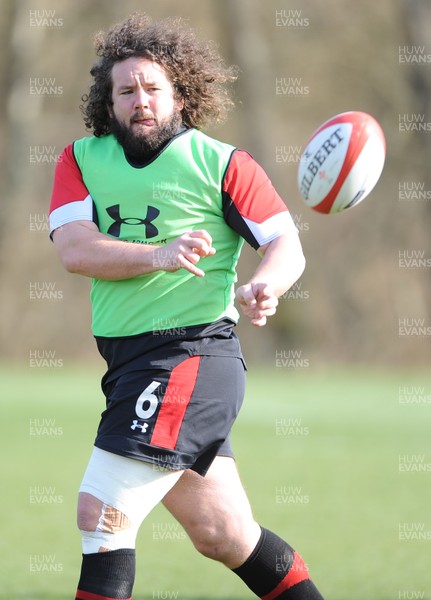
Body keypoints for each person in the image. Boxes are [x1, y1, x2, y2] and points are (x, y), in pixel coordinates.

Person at [49, 13, 324, 600]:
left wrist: (266, 284)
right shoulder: (80, 159)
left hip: (191, 358)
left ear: (180, 93)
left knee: (102, 511)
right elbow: (74, 250)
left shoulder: (222, 163)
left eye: (153, 88)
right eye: (126, 91)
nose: (140, 101)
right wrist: (161, 254)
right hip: (127, 367)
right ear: (109, 100)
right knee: (224, 534)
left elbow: (285, 244)